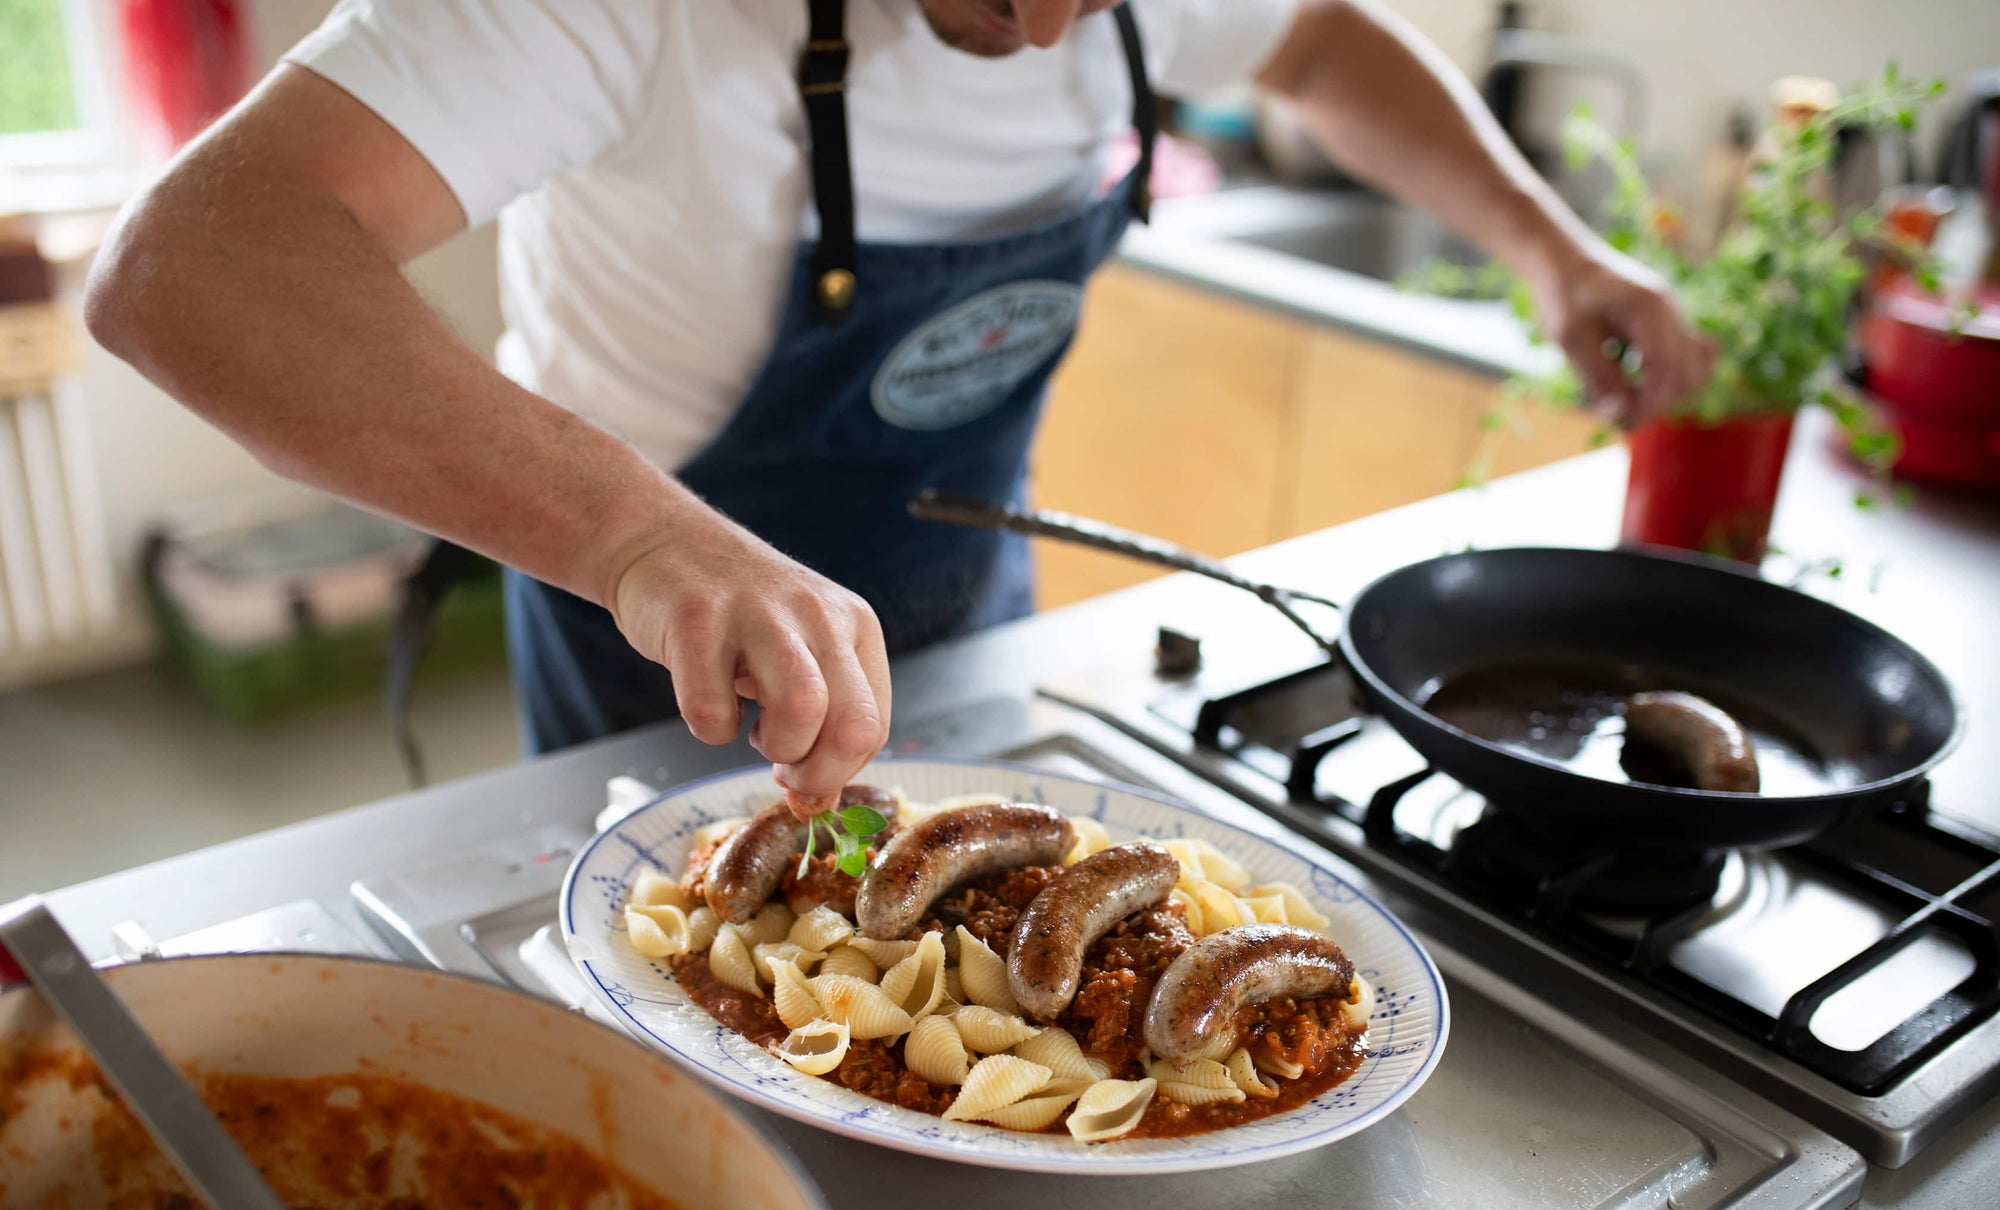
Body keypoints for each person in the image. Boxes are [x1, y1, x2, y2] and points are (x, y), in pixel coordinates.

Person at [86, 0, 1712, 816]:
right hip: (645, 644)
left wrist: (1551, 251)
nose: (1047, 25)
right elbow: (188, 269)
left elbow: (1316, 47)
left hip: (968, 613)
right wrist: (645, 536)